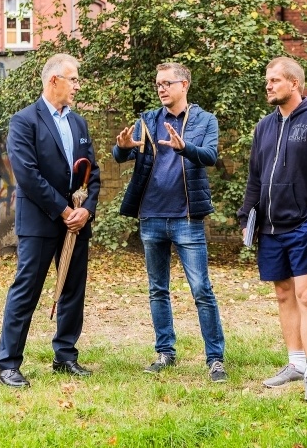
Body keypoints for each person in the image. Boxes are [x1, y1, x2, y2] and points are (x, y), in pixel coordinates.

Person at [112, 62, 227, 383]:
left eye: (167, 83)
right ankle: (165, 352)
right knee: (157, 289)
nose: (161, 88)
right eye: (158, 83)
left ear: (184, 85)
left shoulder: (204, 120)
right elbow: (122, 154)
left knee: (202, 290)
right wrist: (121, 149)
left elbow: (210, 155)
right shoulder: (148, 120)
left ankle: (215, 359)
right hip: (151, 217)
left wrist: (184, 147)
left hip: (187, 220)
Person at [238, 56, 307, 401]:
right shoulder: (264, 126)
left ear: (294, 84)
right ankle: (295, 364)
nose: (268, 86)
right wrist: (246, 216)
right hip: (269, 228)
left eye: (274, 81)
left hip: (303, 226)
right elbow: (255, 177)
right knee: (283, 294)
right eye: (267, 81)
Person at [0, 53, 101, 388]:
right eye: (73, 79)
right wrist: (63, 210)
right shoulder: (24, 121)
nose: (77, 86)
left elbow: (93, 172)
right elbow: (27, 174)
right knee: (26, 290)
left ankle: (65, 357)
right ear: (54, 80)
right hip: (41, 221)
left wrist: (86, 210)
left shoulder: (79, 123)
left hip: (76, 224)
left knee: (72, 289)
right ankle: (8, 364)